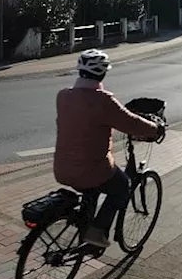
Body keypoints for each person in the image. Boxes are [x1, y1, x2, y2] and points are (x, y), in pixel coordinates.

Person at [52, 49, 164, 248]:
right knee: (122, 186)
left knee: (92, 191)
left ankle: (84, 231)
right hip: (92, 170)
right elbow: (131, 123)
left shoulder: (63, 96)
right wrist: (155, 129)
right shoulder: (104, 101)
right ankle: (96, 233)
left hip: (62, 168)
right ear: (103, 74)